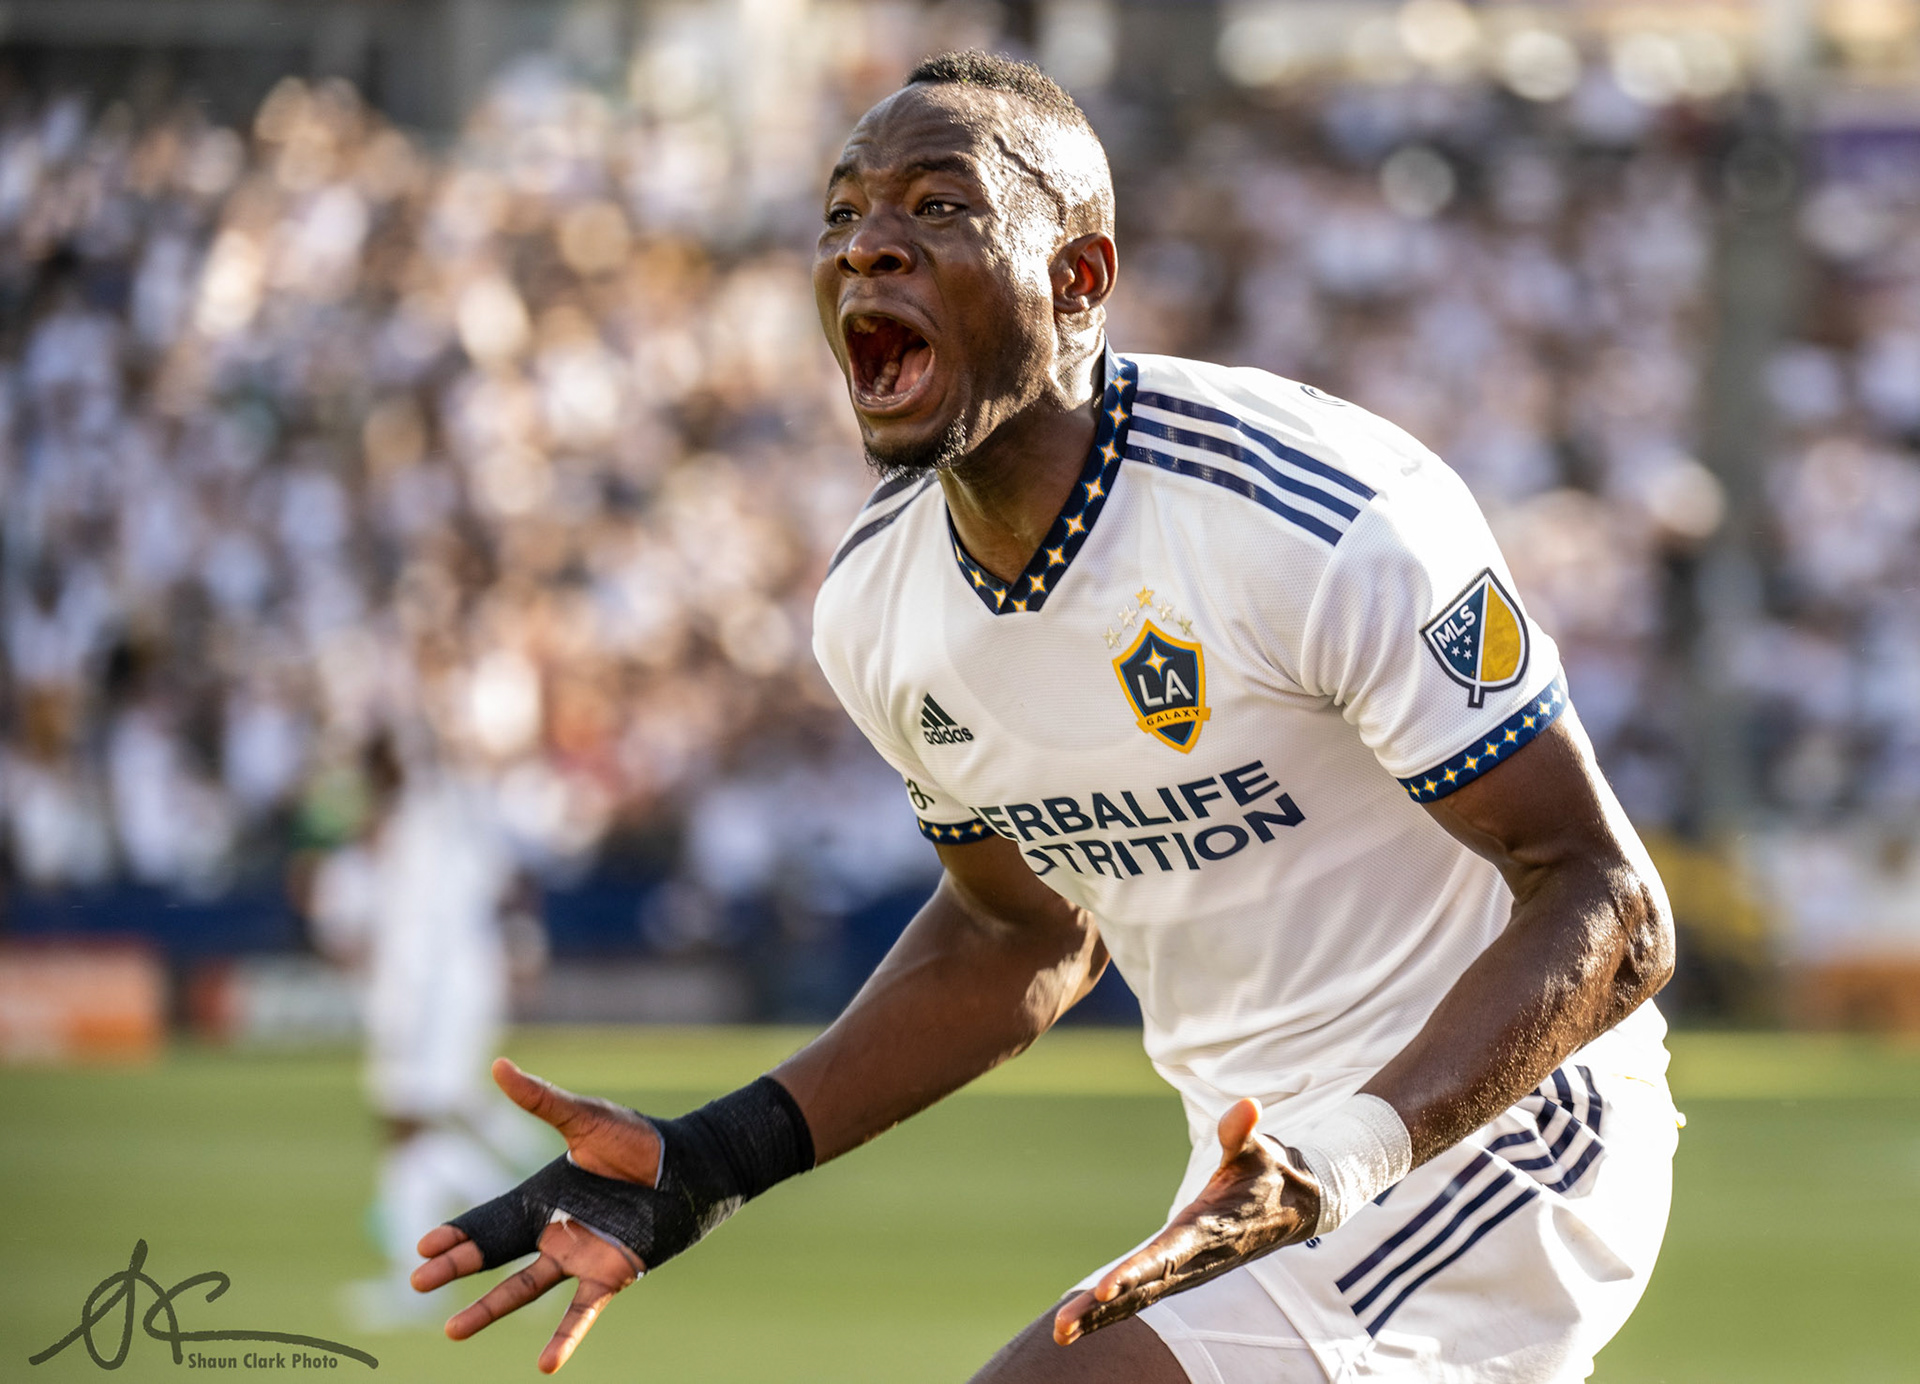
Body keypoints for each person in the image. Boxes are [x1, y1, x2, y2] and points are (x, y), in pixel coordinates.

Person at [412, 53, 1679, 1382]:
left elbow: (1610, 905)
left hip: (1497, 1136)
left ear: (1078, 280)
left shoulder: (1317, 514)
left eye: (938, 208)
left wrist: (1342, 1156)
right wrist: (707, 1164)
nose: (867, 249)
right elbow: (1022, 927)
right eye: (842, 215)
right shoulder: (877, 606)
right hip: (1259, 1167)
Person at [307, 735, 547, 1327]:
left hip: (433, 990)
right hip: (430, 985)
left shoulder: (435, 812)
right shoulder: (425, 817)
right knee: (418, 1122)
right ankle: (525, 1227)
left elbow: (476, 898)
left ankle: (525, 1230)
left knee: (412, 1121)